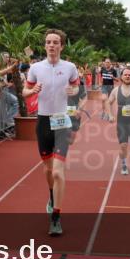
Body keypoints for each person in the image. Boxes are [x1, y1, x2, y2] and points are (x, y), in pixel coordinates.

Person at [23, 29, 80, 236]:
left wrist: (75, 122)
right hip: (43, 121)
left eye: (56, 42)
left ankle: (56, 216)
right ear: (45, 45)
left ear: (62, 46)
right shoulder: (36, 68)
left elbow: (77, 93)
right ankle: (51, 194)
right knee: (48, 171)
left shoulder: (70, 68)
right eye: (48, 42)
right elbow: (24, 91)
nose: (52, 45)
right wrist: (32, 90)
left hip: (62, 121)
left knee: (58, 171)